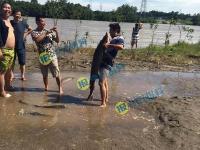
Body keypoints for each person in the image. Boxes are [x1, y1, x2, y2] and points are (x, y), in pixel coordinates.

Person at [31, 16, 63, 95]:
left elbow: (58, 41)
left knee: (56, 72)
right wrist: (46, 33)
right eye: (42, 21)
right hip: (42, 56)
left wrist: (56, 32)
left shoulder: (48, 31)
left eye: (44, 21)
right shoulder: (34, 32)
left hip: (52, 54)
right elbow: (37, 39)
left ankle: (60, 88)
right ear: (37, 22)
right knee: (44, 74)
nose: (44, 23)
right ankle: (46, 87)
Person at [99, 23, 124, 107]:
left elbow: (121, 47)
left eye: (111, 30)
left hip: (107, 63)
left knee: (101, 83)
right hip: (103, 62)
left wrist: (109, 44)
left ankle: (103, 104)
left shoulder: (119, 38)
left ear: (116, 31)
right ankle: (106, 98)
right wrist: (107, 38)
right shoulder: (114, 38)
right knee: (105, 81)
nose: (110, 32)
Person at [11, 10, 32, 81]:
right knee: (11, 62)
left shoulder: (23, 23)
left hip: (21, 46)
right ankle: (11, 75)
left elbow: (30, 29)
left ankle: (22, 75)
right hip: (12, 46)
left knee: (22, 62)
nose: (18, 16)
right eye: (16, 14)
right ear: (13, 15)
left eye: (19, 14)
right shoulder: (10, 23)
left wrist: (25, 34)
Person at [0, 2, 15, 97]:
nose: (7, 9)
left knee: (9, 70)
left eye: (9, 8)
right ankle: (2, 92)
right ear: (1, 9)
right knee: (2, 71)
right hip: (4, 50)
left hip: (11, 51)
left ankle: (8, 86)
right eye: (5, 7)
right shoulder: (0, 20)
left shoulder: (9, 21)